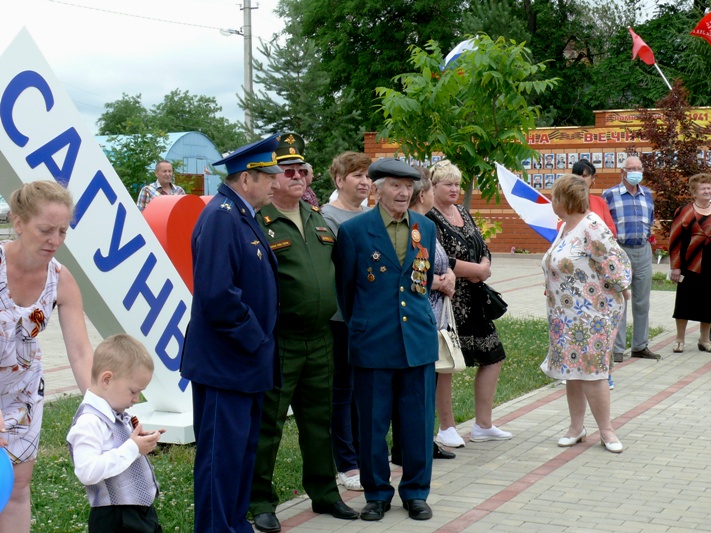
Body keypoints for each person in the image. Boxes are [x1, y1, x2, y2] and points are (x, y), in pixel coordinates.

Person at [250, 134, 358, 533]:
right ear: (271, 178)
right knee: (269, 424)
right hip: (281, 340)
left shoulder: (316, 218)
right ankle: (260, 500)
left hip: (321, 337)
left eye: (302, 170)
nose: (297, 176)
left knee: (319, 420)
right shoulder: (259, 221)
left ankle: (325, 493)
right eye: (287, 170)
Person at [180, 134, 282, 533]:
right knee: (220, 458)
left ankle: (234, 526)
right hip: (228, 362)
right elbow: (217, 293)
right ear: (246, 179)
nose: (275, 183)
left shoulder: (240, 214)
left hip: (244, 363)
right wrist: (256, 338)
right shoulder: (223, 216)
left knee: (239, 455)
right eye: (268, 176)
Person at [334, 158, 439, 522]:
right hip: (373, 342)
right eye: (395, 185)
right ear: (377, 189)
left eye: (408, 186)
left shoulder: (425, 227)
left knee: (418, 423)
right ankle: (376, 493)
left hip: (417, 341)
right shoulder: (355, 231)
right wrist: (366, 323)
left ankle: (415, 492)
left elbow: (421, 284)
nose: (403, 192)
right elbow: (346, 292)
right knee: (373, 426)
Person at [0, 180, 94, 533]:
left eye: (62, 231)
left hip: (21, 395)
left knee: (17, 488)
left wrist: (102, 408)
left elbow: (82, 352)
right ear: (19, 222)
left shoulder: (61, 280)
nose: (54, 240)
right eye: (45, 230)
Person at [541, 174, 631, 453]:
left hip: (591, 315)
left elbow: (615, 263)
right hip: (565, 315)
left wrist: (623, 291)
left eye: (555, 196)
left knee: (593, 372)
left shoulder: (592, 225)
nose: (552, 201)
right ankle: (576, 427)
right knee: (573, 371)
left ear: (565, 199)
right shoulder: (566, 227)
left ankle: (607, 430)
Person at [427, 160, 513, 444]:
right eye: (447, 184)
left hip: (476, 298)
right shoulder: (430, 217)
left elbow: (482, 245)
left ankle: (483, 425)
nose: (454, 189)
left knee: (493, 356)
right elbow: (440, 259)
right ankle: (447, 428)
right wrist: (475, 270)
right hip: (450, 300)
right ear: (433, 186)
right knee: (448, 362)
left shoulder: (462, 211)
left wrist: (485, 264)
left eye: (457, 184)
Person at [67, 334, 164, 533]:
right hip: (115, 518)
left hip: (138, 512)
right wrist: (132, 448)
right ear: (107, 379)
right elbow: (87, 472)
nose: (137, 399)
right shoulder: (89, 422)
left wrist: (140, 441)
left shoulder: (116, 413)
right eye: (133, 391)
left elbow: (120, 446)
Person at [321, 151, 373, 492]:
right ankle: (346, 461)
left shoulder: (371, 215)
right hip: (340, 318)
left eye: (368, 176)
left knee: (363, 389)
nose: (365, 182)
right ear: (340, 180)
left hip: (369, 317)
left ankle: (363, 453)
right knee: (341, 391)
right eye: (357, 176)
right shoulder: (326, 217)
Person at [407, 171, 460, 449]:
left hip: (435, 313)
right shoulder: (413, 227)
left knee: (433, 379)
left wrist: (449, 274)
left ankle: (427, 440)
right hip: (422, 311)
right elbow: (413, 273)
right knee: (421, 383)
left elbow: (439, 260)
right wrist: (440, 282)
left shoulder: (426, 225)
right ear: (423, 195)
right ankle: (418, 443)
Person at [602, 155, 660, 362]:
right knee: (620, 300)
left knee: (642, 301)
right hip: (620, 251)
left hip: (643, 250)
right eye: (631, 168)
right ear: (623, 172)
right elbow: (604, 224)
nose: (636, 172)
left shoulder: (647, 194)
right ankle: (617, 350)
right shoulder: (609, 194)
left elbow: (650, 220)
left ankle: (640, 345)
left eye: (639, 168)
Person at [571, 159, 617, 389]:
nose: (582, 179)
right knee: (574, 322)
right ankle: (573, 369)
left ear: (593, 179)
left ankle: (603, 371)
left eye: (586, 175)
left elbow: (611, 233)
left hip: (597, 275)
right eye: (578, 175)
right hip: (573, 277)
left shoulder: (599, 203)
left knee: (599, 323)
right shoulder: (566, 204)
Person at [669, 173, 711, 353]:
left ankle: (704, 340)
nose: (708, 191)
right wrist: (675, 267)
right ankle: (680, 339)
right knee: (684, 303)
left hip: (710, 266)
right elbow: (675, 241)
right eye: (703, 188)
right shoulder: (684, 211)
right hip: (689, 265)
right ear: (694, 192)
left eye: (709, 187)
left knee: (709, 303)